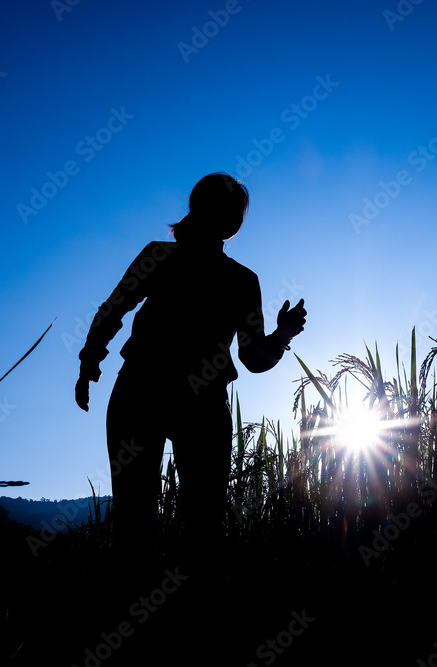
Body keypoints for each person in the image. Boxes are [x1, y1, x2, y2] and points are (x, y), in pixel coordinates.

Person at [75, 173, 306, 570]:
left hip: (146, 392)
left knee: (143, 524)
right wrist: (282, 336)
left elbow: (113, 309)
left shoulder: (172, 259)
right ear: (233, 223)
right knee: (197, 526)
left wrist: (90, 360)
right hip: (189, 400)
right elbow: (253, 359)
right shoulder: (237, 279)